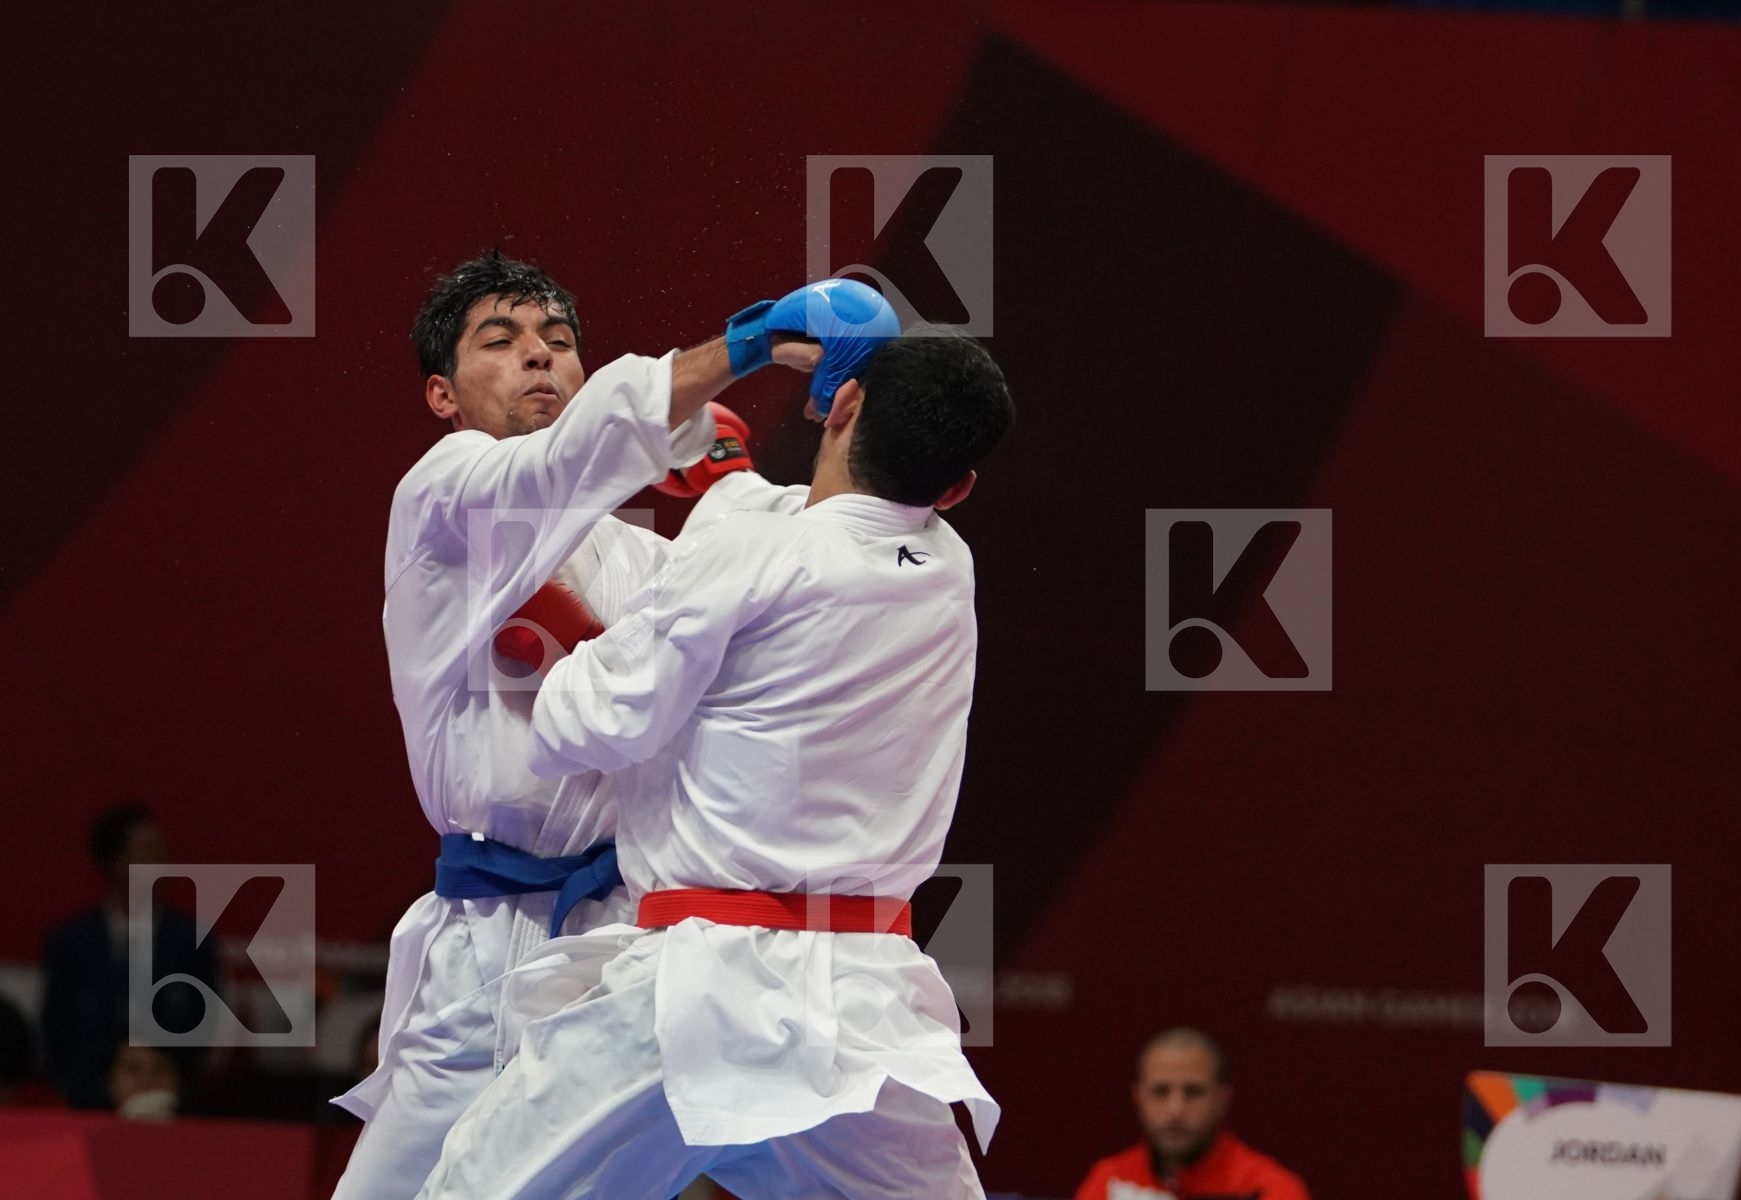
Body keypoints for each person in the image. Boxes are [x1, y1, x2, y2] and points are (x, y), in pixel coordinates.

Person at [330, 253, 882, 1200]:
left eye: (559, 343)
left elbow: (783, 598)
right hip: (482, 951)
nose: (539, 358)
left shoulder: (646, 558)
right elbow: (563, 462)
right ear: (442, 394)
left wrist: (740, 486)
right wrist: (742, 346)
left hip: (632, 942)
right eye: (500, 344)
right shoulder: (441, 501)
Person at [419, 325, 1014, 1199]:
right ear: (957, 488)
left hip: (701, 990)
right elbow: (825, 540)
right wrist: (729, 483)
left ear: (842, 405)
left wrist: (561, 634)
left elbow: (584, 726)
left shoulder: (745, 555)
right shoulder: (946, 568)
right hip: (865, 999)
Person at [41, 805, 216, 1110]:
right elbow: (57, 1030)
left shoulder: (192, 942)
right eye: (148, 851)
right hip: (86, 1107)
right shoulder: (70, 943)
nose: (161, 862)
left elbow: (203, 1028)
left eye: (163, 851)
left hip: (170, 1109)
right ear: (113, 861)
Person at [1075, 1028, 1309, 1200]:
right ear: (1138, 1097)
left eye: (1193, 1092)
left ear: (1222, 1099)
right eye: (1160, 1092)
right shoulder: (1109, 1180)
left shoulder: (1267, 1189)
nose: (1175, 1110)